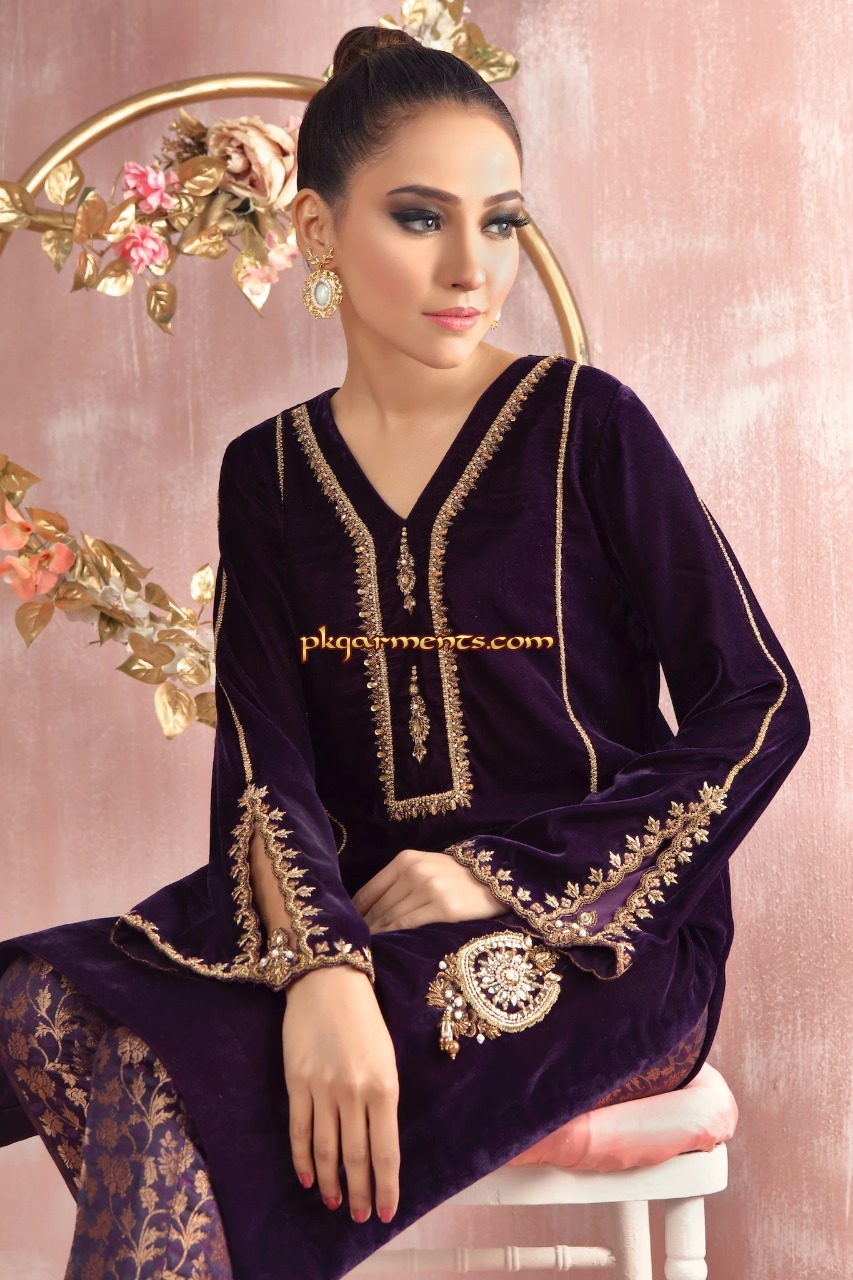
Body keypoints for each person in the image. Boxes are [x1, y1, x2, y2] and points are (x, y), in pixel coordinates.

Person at [0, 23, 810, 1280]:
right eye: (420, 217)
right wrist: (319, 966)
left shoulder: (587, 426)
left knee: (169, 1080)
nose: (470, 266)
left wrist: (500, 873)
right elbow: (266, 761)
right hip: (348, 907)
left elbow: (756, 704)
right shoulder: (269, 473)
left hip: (592, 936)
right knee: (40, 1001)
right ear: (317, 231)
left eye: (500, 221)